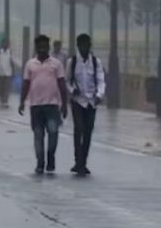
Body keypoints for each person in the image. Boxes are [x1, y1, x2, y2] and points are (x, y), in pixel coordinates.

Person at [19, 34, 70, 174]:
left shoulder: (56, 64)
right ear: (36, 47)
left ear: (48, 47)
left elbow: (61, 84)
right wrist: (22, 102)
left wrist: (64, 104)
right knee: (38, 134)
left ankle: (51, 157)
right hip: (35, 106)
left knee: (53, 132)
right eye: (39, 46)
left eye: (44, 46)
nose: (42, 49)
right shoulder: (30, 64)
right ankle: (40, 162)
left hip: (52, 105)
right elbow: (26, 84)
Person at [68, 33, 105, 176]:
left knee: (88, 131)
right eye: (82, 45)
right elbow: (67, 80)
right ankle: (78, 160)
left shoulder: (96, 62)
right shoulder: (72, 62)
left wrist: (99, 95)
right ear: (78, 46)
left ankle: (83, 161)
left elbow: (101, 80)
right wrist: (72, 90)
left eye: (86, 45)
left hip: (91, 101)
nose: (84, 48)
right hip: (78, 101)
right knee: (79, 129)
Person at [0, 38, 16, 108]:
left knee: (7, 88)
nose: (6, 45)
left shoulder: (10, 52)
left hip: (8, 73)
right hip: (0, 73)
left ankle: (5, 101)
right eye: (4, 43)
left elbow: (12, 62)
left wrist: (13, 72)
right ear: (1, 44)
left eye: (7, 43)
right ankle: (1, 99)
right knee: (1, 88)